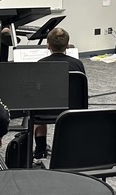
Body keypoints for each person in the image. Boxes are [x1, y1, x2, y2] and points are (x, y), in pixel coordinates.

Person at [32, 27, 86, 160]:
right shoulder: (77, 64)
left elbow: (36, 91)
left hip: (43, 112)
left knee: (36, 116)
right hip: (73, 110)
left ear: (48, 45)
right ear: (67, 45)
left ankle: (40, 151)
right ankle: (68, 150)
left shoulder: (40, 64)